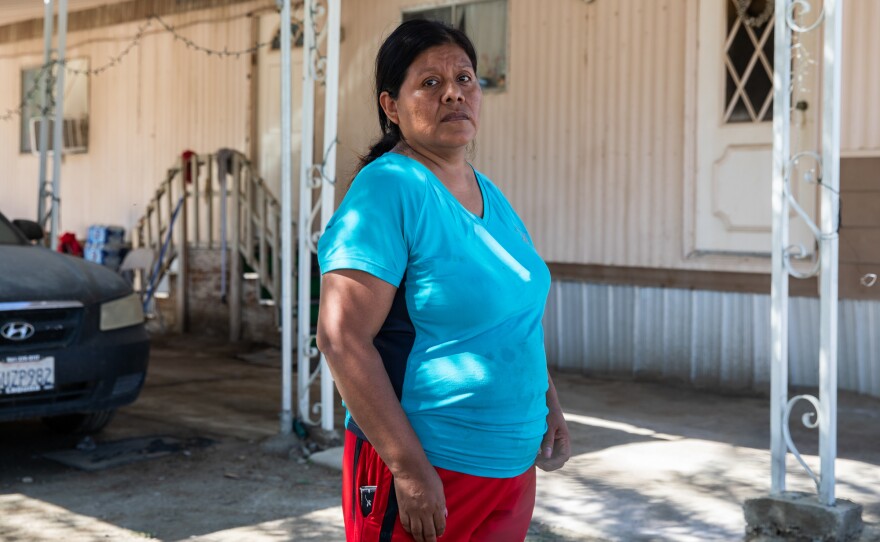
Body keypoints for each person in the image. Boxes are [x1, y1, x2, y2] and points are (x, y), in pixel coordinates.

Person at [316, 19, 570, 542]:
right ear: (391, 106)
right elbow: (342, 338)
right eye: (430, 82)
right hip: (430, 466)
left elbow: (513, 318)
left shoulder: (487, 192)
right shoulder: (388, 189)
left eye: (465, 78)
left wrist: (549, 407)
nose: (453, 92)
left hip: (509, 468)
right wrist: (408, 469)